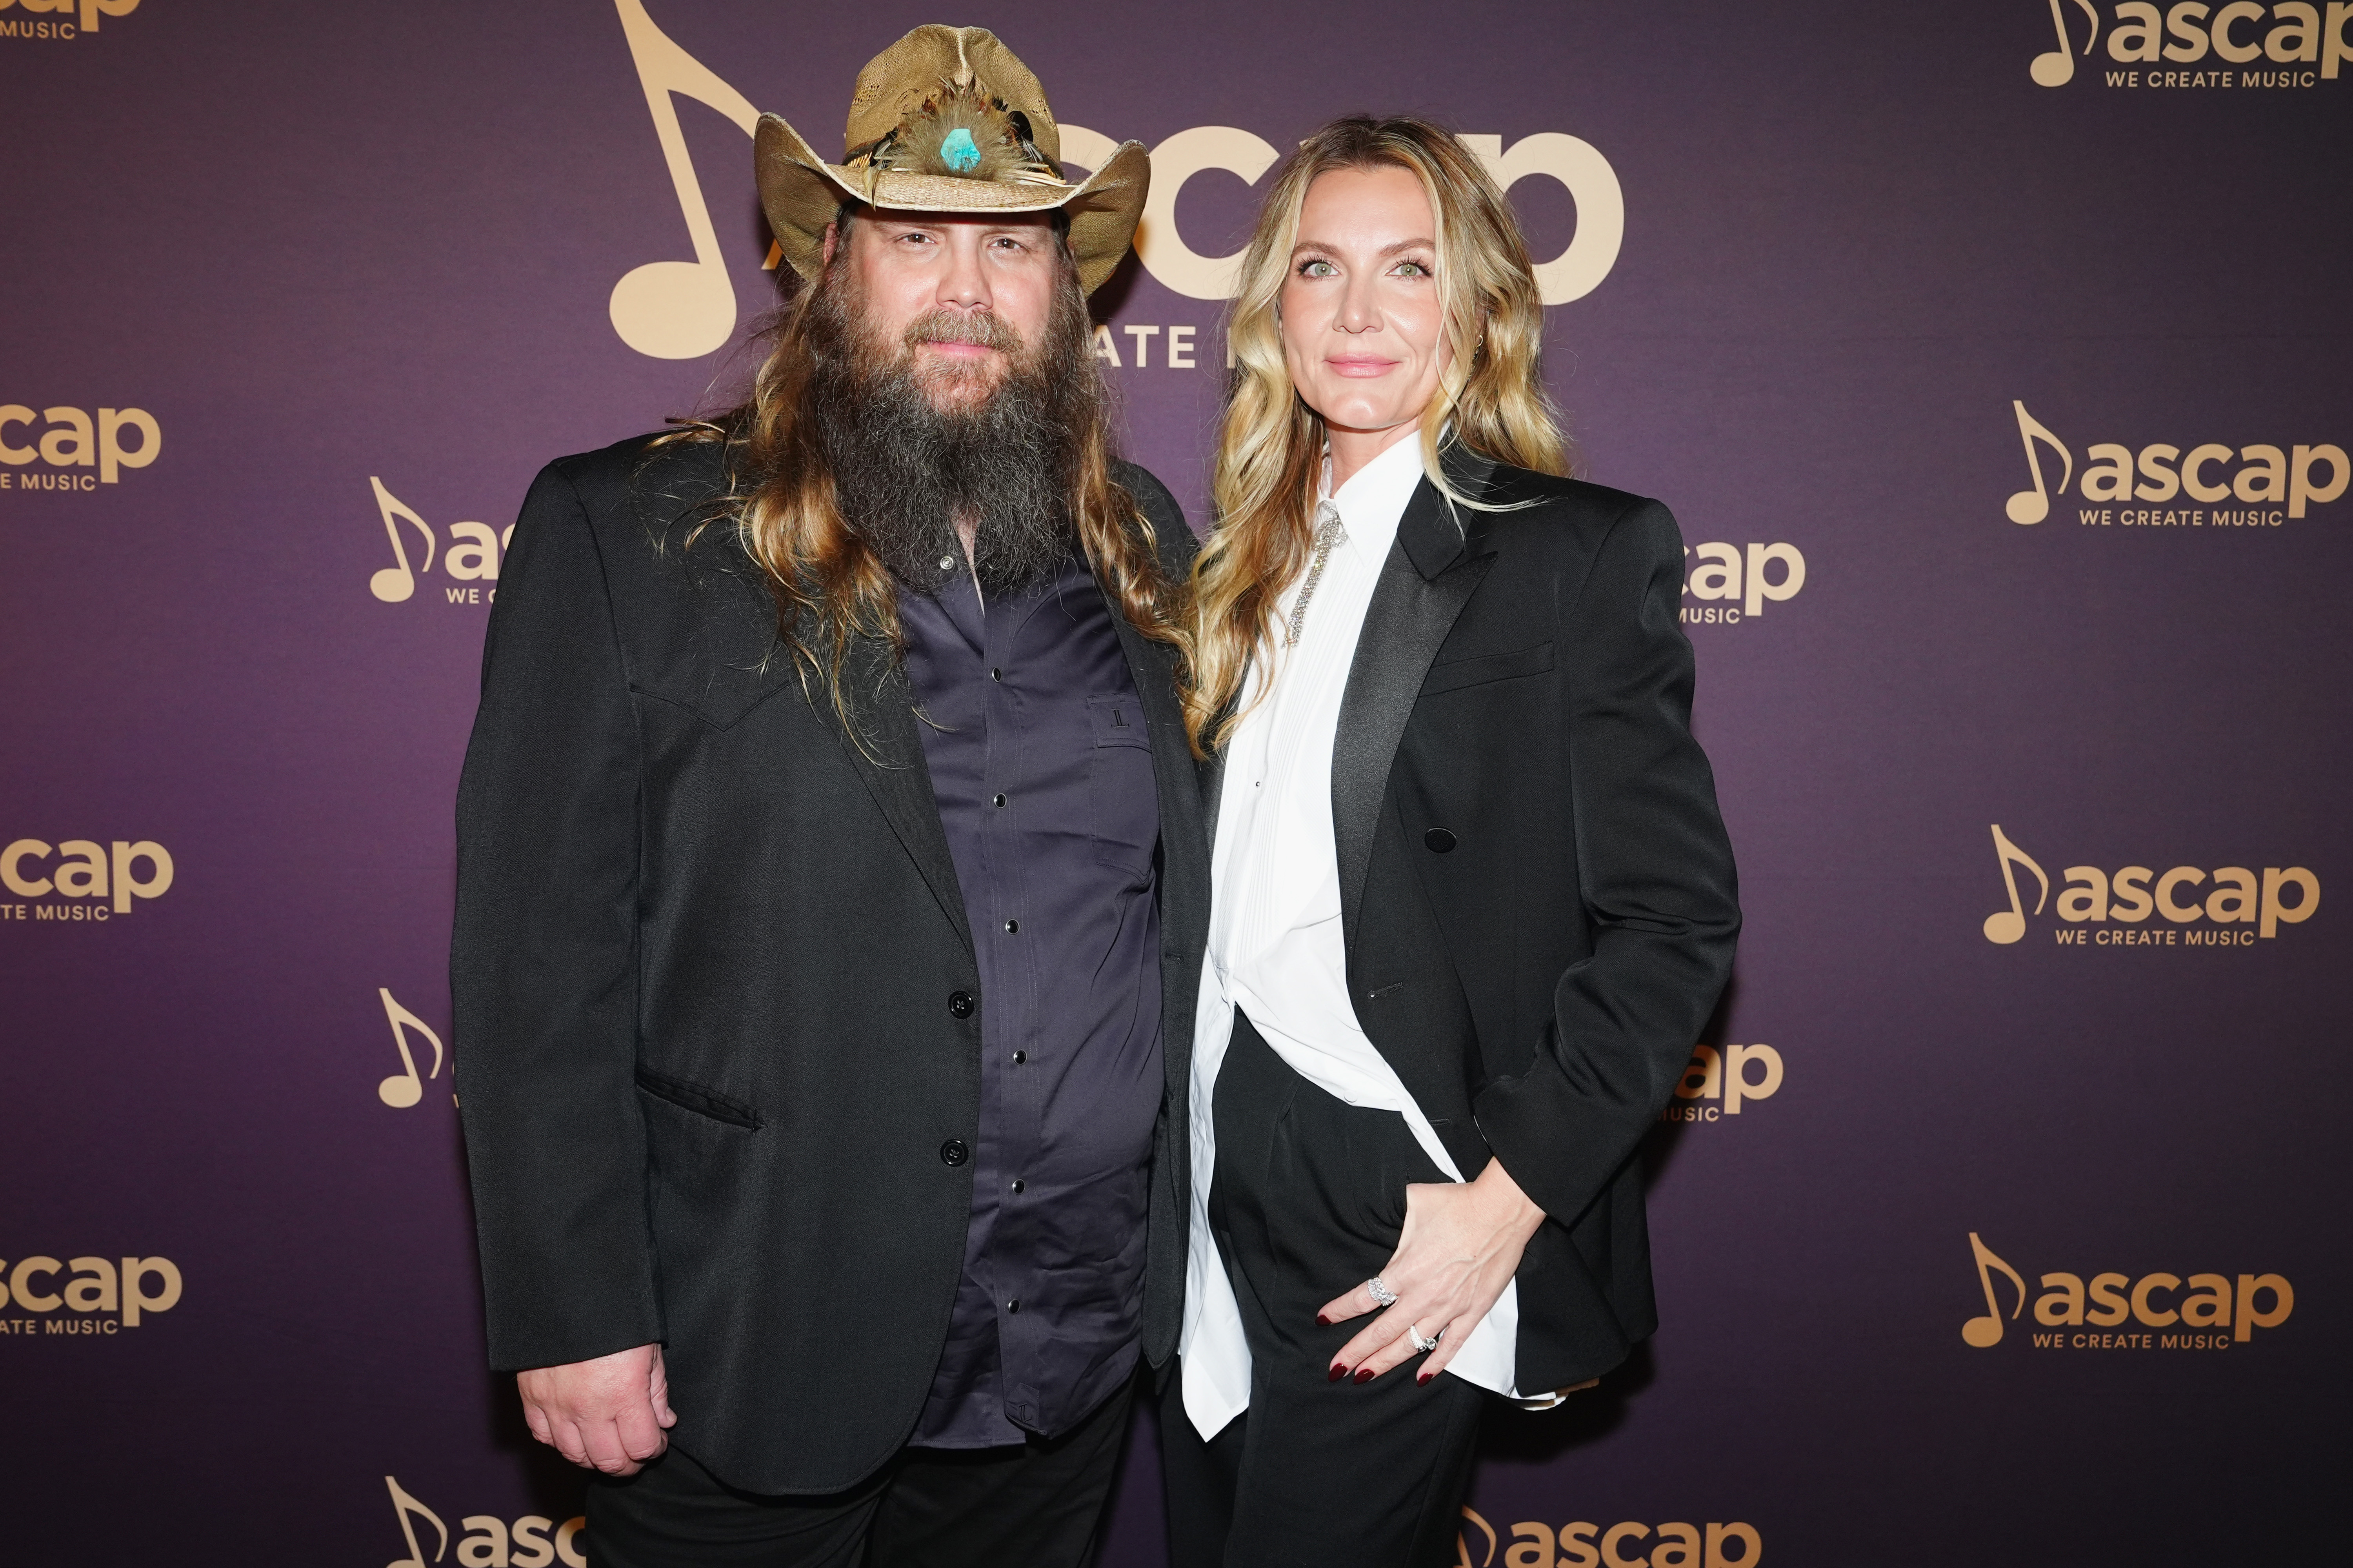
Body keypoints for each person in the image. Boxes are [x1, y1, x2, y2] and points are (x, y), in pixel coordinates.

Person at [450, 26, 1207, 1568]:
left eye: (1010, 248)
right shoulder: (628, 529)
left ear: (1067, 291)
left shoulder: (1141, 536)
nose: (964, 291)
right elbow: (538, 966)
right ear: (824, 266)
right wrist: (575, 1306)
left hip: (1062, 1347)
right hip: (754, 1327)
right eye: (914, 239)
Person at [1162, 115, 1741, 1567]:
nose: (1359, 313)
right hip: (1212, 1168)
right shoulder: (1224, 570)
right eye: (1319, 269)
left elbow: (1674, 925)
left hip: (1408, 1183)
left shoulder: (1574, 557)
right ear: (1271, 310)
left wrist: (1507, 1207)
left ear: (1473, 309)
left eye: (1407, 270)